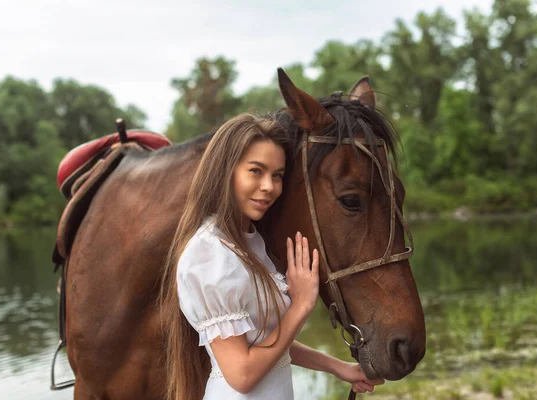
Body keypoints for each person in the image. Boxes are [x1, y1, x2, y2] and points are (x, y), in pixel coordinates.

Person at [160, 113, 383, 399]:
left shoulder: (250, 243)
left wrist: (338, 367)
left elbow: (265, 342)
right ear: (225, 171)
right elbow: (242, 374)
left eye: (277, 175)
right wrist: (300, 306)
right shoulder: (210, 254)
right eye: (256, 171)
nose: (269, 186)